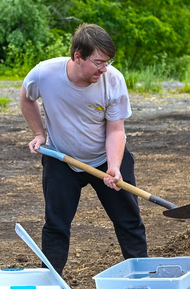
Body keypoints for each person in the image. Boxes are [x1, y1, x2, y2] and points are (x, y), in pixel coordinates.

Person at [20, 23, 148, 275]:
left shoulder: (113, 80)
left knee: (129, 221)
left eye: (108, 62)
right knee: (56, 225)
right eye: (99, 62)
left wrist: (113, 166)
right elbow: (26, 97)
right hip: (62, 158)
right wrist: (39, 133)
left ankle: (142, 281)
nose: (104, 69)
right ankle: (49, 286)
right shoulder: (45, 73)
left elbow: (115, 129)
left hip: (105, 158)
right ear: (77, 56)